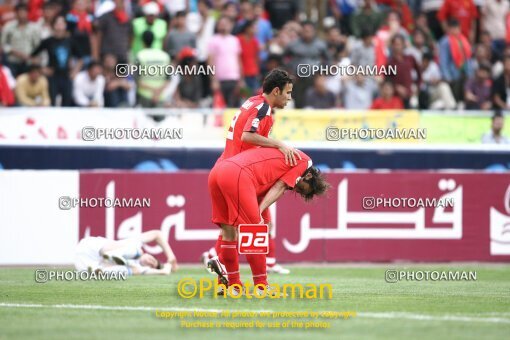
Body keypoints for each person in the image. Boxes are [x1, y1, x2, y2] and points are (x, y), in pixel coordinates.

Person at [201, 68, 300, 276]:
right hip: (239, 174)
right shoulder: (263, 108)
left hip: (224, 168)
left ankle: (222, 266)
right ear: (276, 91)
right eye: (288, 93)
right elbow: (247, 136)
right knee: (257, 227)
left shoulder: (252, 102)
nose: (290, 98)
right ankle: (259, 282)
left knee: (232, 227)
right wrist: (280, 145)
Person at [207, 147, 329, 293]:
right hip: (238, 174)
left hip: (217, 171)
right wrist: (258, 213)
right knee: (255, 231)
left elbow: (271, 185)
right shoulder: (304, 162)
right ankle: (261, 286)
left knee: (228, 232)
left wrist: (261, 212)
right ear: (308, 176)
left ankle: (233, 286)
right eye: (302, 189)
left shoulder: (281, 164)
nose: (296, 189)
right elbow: (280, 186)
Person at [74, 230, 178, 275]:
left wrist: (165, 269)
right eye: (153, 259)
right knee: (134, 249)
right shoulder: (135, 247)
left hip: (87, 267)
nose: (150, 261)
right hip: (89, 248)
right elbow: (157, 234)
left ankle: (111, 259)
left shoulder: (137, 268)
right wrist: (171, 258)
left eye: (152, 265)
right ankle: (112, 256)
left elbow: (162, 272)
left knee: (128, 270)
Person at [31, 16, 82, 107]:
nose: (59, 26)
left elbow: (80, 59)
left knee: (66, 104)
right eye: (57, 24)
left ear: (65, 26)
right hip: (52, 76)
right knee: (52, 103)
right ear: (53, 26)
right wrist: (42, 69)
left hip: (67, 76)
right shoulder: (47, 41)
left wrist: (75, 72)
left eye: (61, 24)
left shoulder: (70, 41)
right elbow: (33, 56)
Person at [1, 4, 40, 77]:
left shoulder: (34, 28)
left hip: (28, 63)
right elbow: (3, 44)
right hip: (12, 62)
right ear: (16, 13)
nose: (22, 15)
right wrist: (13, 51)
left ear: (28, 13)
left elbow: (37, 45)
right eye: (19, 12)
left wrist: (32, 58)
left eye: (24, 12)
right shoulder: (8, 26)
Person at [135, 30, 171, 107]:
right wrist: (157, 92)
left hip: (144, 96)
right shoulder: (165, 56)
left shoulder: (140, 56)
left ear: (142, 42)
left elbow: (137, 80)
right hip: (160, 96)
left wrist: (153, 91)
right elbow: (168, 80)